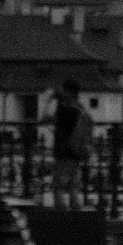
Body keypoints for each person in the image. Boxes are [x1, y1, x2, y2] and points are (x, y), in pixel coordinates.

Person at [50, 79, 92, 207]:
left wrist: (48, 100)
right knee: (74, 183)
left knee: (59, 184)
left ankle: (61, 213)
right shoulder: (80, 109)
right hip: (77, 149)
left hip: (63, 150)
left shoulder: (63, 110)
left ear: (68, 92)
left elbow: (43, 117)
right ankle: (76, 210)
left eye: (63, 89)